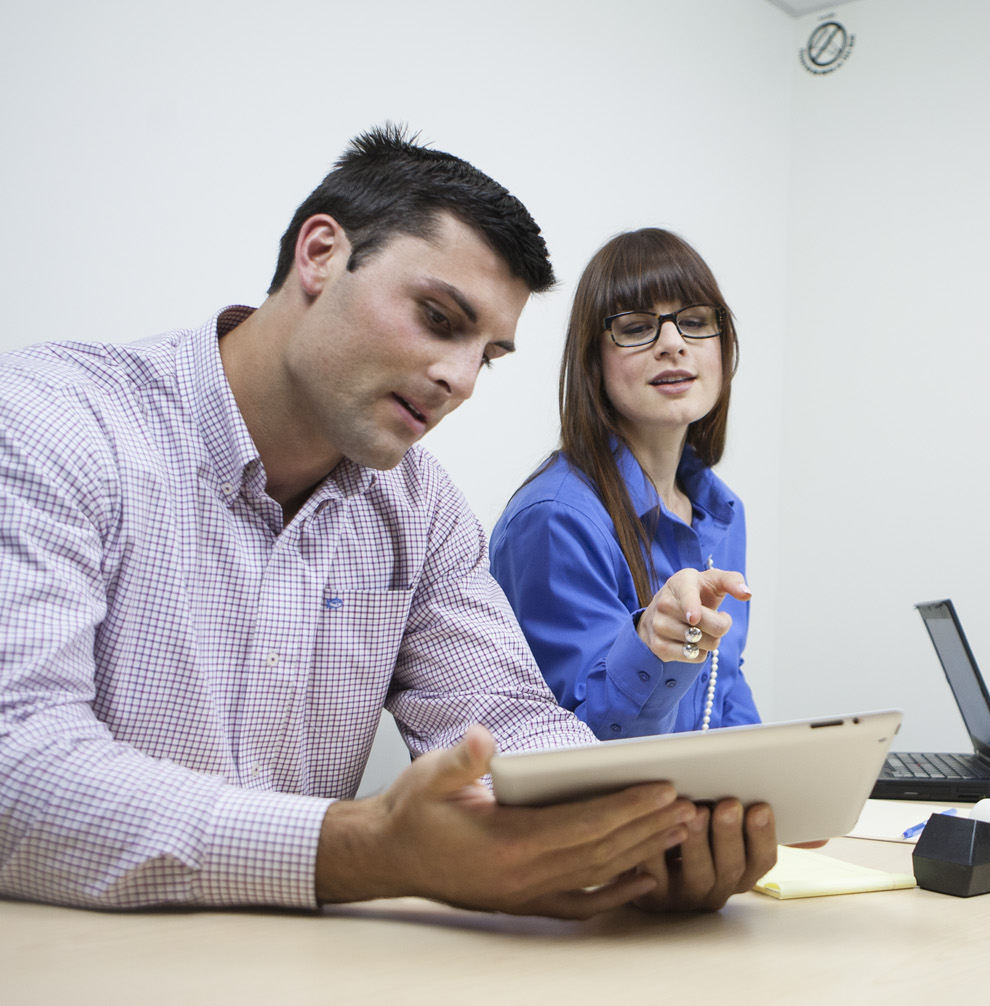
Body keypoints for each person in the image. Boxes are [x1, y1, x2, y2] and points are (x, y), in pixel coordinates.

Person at [0, 126, 775, 916]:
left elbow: (508, 721)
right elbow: (14, 763)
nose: (460, 380)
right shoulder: (55, 424)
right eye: (440, 319)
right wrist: (361, 851)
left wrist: (644, 835)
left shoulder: (421, 507)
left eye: (489, 354)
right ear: (321, 255)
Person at [490, 228, 757, 739]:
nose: (674, 344)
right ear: (594, 363)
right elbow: (580, 748)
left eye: (696, 322)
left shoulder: (723, 511)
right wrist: (652, 646)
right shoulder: (555, 519)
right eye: (637, 328)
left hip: (696, 809)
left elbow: (724, 691)